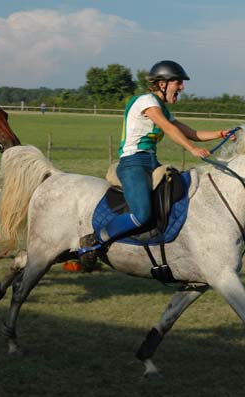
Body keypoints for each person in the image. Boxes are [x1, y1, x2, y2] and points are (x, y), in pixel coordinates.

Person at [79, 60, 230, 266]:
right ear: (162, 84)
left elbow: (192, 133)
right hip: (133, 163)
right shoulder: (145, 102)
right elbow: (167, 128)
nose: (182, 87)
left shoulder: (162, 109)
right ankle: (96, 240)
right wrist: (192, 149)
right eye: (178, 82)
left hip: (152, 163)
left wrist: (221, 133)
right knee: (141, 215)